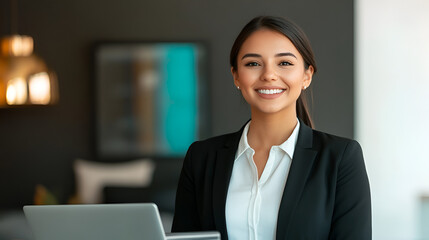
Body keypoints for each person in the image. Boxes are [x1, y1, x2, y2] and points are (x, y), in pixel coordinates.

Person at [171, 16, 371, 240]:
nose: (268, 75)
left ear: (307, 75)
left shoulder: (341, 158)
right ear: (236, 75)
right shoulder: (201, 158)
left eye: (284, 63)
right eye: (253, 63)